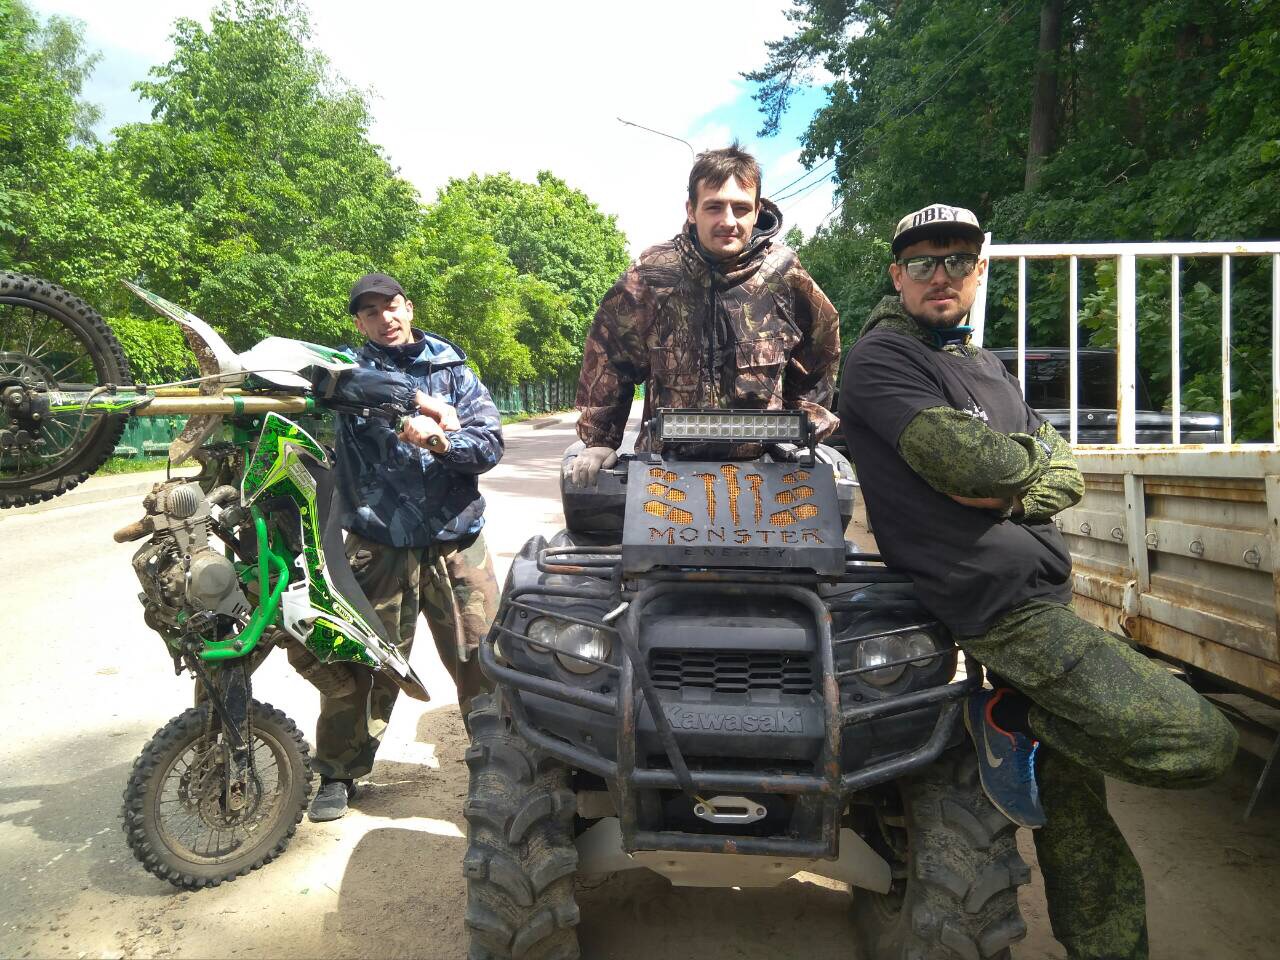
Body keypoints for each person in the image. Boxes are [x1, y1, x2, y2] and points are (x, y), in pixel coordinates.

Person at [838, 203, 1238, 959]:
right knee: (1201, 740)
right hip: (996, 608)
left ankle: (1108, 949)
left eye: (958, 260)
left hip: (1042, 595)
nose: (941, 275)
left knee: (1076, 811)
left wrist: (1015, 484)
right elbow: (972, 466)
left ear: (978, 270)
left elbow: (1064, 470)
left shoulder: (984, 366)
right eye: (921, 262)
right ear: (897, 275)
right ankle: (1016, 714)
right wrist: (1021, 471)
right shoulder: (882, 359)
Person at [308, 272, 504, 822]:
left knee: (484, 659)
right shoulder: (344, 371)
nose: (384, 318)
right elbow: (322, 385)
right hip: (379, 541)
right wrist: (408, 401)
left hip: (457, 539)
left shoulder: (454, 370)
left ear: (409, 308)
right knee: (361, 662)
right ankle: (339, 772)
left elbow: (489, 444)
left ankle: (498, 766)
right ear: (359, 323)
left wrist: (442, 440)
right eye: (370, 312)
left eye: (391, 306)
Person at [570, 143, 840, 484]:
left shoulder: (783, 273)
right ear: (691, 210)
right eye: (714, 207)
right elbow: (609, 353)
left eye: (741, 208)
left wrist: (804, 429)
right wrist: (600, 440)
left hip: (763, 476)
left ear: (757, 210)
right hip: (665, 476)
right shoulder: (653, 274)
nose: (728, 221)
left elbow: (820, 347)